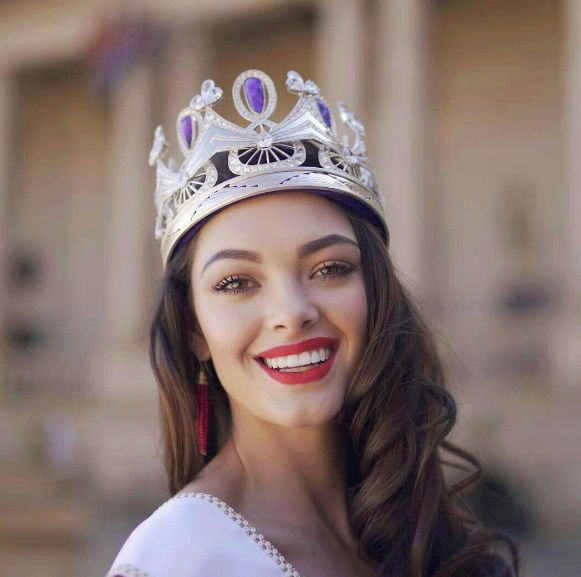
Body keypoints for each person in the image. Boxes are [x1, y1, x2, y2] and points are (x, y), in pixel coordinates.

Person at [107, 70, 518, 577]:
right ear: (194, 331)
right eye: (237, 282)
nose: (291, 312)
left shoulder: (420, 525)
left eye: (330, 269)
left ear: (375, 293)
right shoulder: (177, 559)